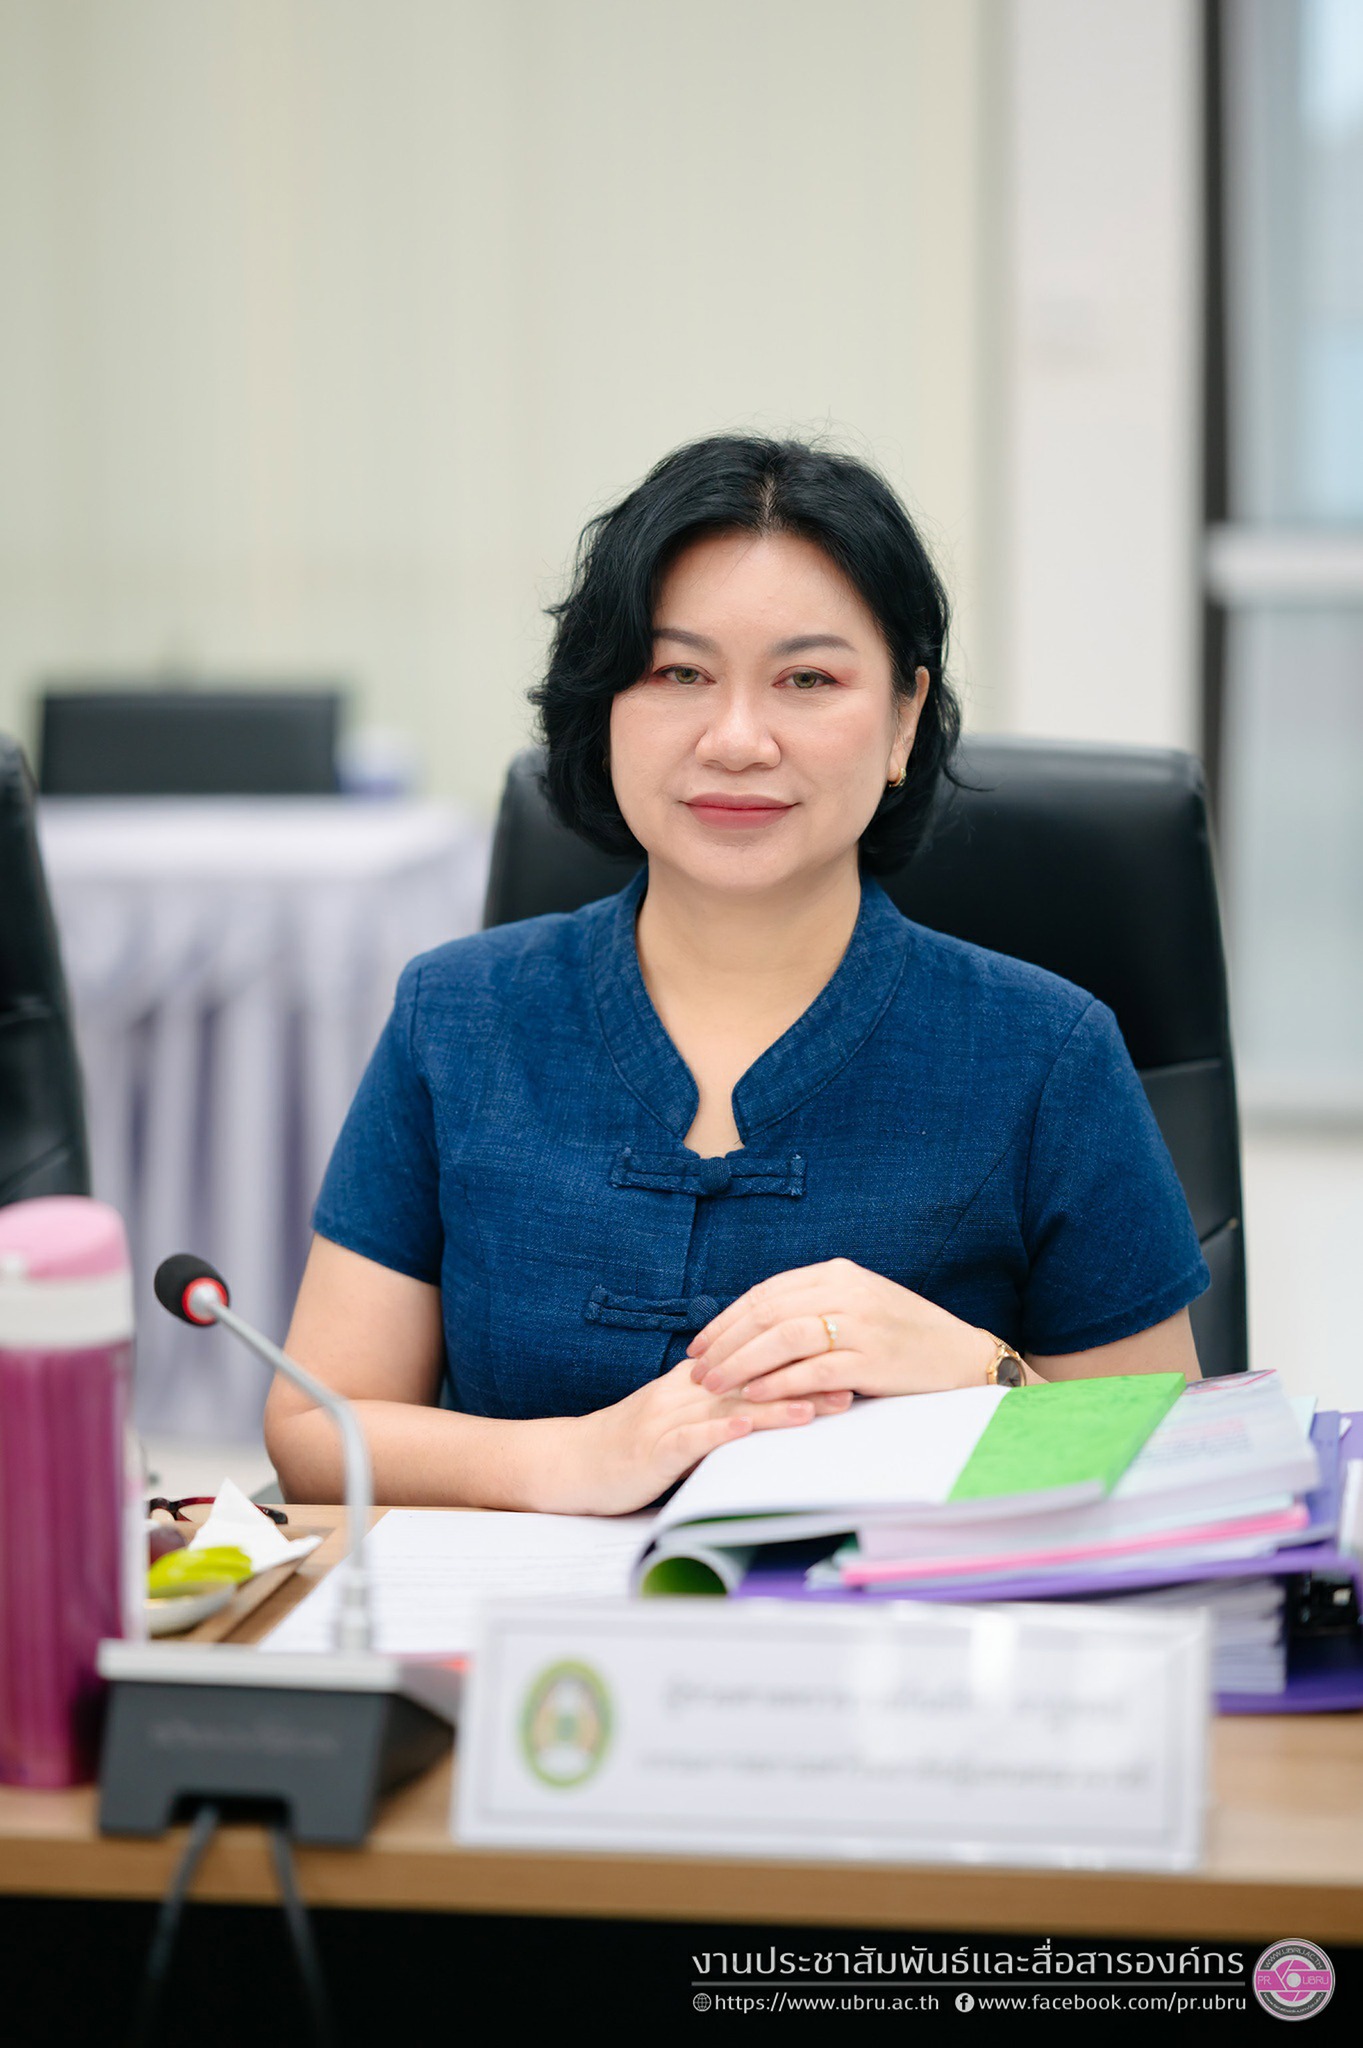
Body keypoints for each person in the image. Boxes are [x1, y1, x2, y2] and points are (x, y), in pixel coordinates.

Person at [265, 435, 1207, 1511]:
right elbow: (315, 1427)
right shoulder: (457, 1014)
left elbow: (1177, 1474)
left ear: (903, 718)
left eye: (808, 678)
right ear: (603, 707)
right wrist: (569, 1460)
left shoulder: (1047, 1052)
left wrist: (974, 1370)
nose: (738, 738)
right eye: (679, 673)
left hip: (898, 1615)